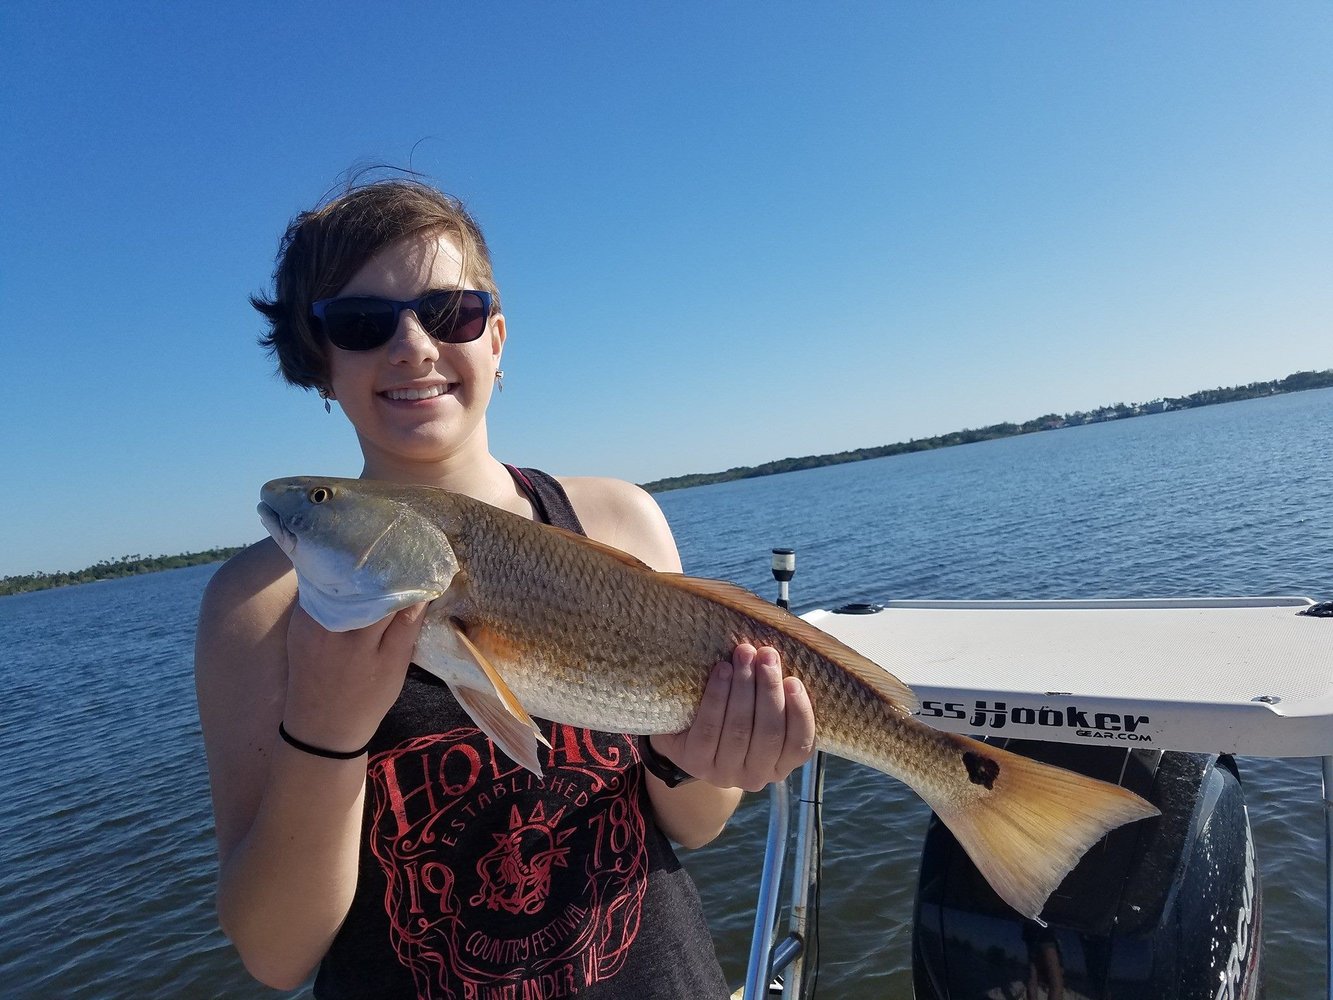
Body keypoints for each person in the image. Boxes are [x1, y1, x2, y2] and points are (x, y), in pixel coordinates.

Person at [195, 177, 817, 999]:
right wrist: (324, 728)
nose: (412, 346)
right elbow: (276, 955)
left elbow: (692, 826)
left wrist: (705, 762)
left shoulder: (617, 520)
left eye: (448, 311)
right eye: (360, 323)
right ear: (320, 364)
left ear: (496, 337)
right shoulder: (257, 608)